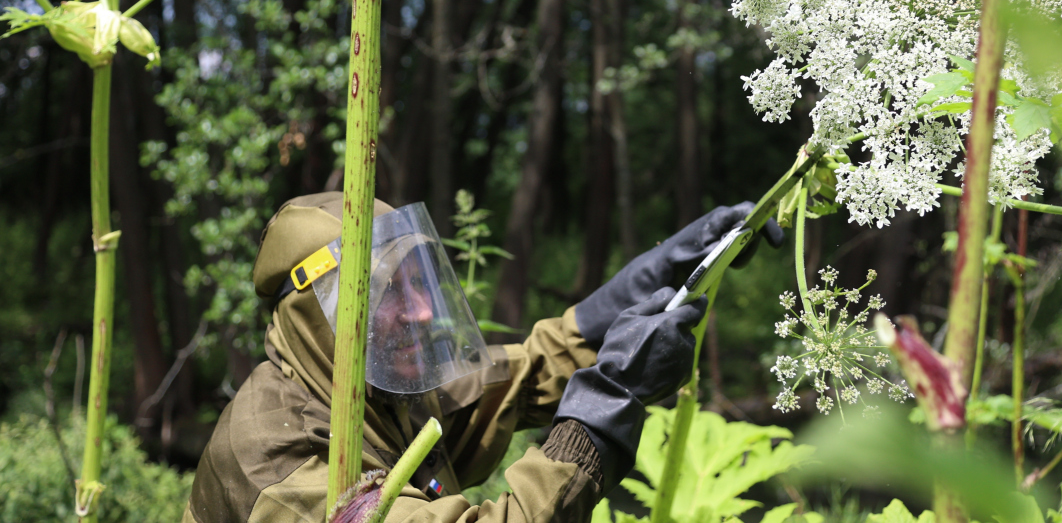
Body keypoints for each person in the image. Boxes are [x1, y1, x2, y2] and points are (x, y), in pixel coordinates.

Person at [184, 192, 755, 523]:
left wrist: (658, 277)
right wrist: (612, 403)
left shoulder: (379, 387)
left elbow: (530, 372)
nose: (426, 315)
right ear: (318, 317)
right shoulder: (275, 460)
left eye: (421, 286)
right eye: (392, 294)